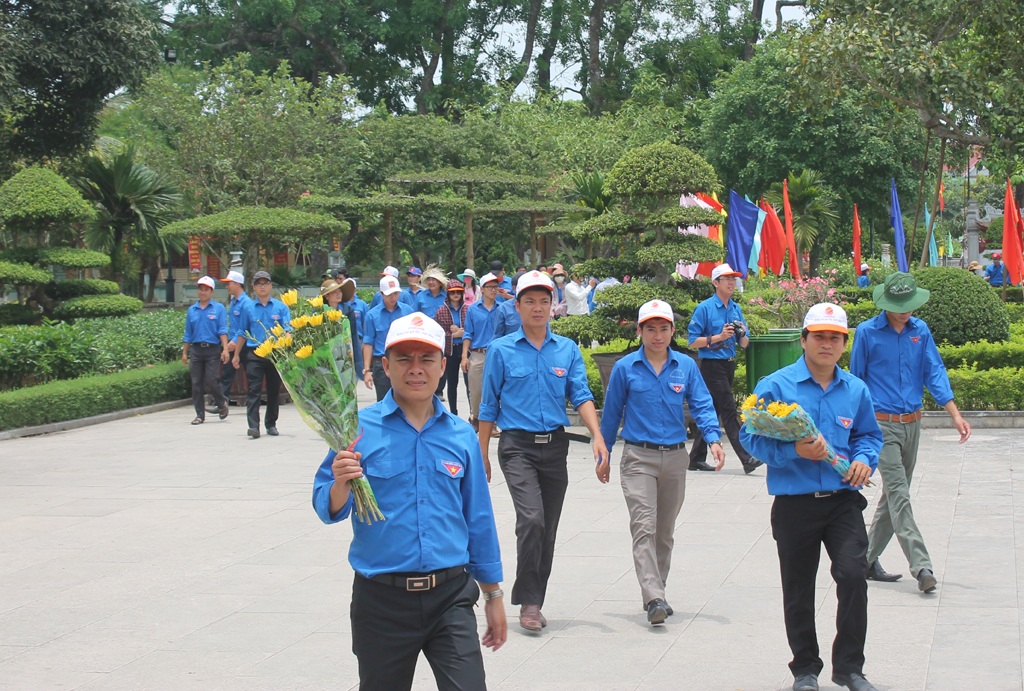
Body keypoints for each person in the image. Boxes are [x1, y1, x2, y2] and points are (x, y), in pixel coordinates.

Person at [312, 312, 506, 690]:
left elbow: (478, 518)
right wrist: (341, 482)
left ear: (442, 366)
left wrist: (493, 593)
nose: (415, 369)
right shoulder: (357, 429)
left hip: (450, 597)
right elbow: (326, 506)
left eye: (426, 359)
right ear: (386, 365)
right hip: (381, 600)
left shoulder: (460, 436)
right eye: (404, 359)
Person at [740, 303, 884, 691]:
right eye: (818, 336)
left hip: (842, 501)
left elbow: (869, 436)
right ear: (803, 340)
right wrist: (793, 453)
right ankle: (805, 669)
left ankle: (850, 667)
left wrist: (864, 460)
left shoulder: (855, 389)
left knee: (854, 576)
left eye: (834, 337)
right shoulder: (776, 385)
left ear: (843, 344)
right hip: (795, 504)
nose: (826, 344)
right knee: (799, 588)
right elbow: (749, 437)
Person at [478, 270, 609, 633]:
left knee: (546, 528)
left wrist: (598, 436)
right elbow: (488, 406)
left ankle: (534, 601)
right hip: (516, 447)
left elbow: (580, 394)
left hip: (555, 447)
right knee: (531, 519)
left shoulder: (565, 350)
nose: (538, 307)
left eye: (544, 300)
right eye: (530, 301)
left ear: (554, 306)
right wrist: (481, 453)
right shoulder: (502, 350)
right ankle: (527, 600)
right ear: (517, 305)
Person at [598, 299, 725, 625]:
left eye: (664, 328)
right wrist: (604, 453)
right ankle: (653, 596)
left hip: (674, 458)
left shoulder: (685, 366)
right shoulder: (626, 368)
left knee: (664, 533)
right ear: (640, 331)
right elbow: (611, 413)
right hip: (638, 457)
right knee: (644, 526)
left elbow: (702, 404)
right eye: (650, 329)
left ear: (672, 331)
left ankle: (659, 592)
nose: (657, 335)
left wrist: (713, 439)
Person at [849, 272, 971, 593]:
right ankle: (922, 566)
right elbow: (855, 382)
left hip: (912, 424)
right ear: (886, 303)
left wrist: (954, 414)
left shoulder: (921, 331)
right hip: (880, 425)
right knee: (900, 495)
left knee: (893, 495)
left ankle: (865, 559)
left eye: (909, 305)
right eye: (898, 306)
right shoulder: (867, 333)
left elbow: (935, 371)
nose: (905, 312)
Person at [687, 263, 762, 474]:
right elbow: (692, 341)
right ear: (715, 283)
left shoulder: (735, 308)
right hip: (711, 365)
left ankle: (695, 458)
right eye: (726, 278)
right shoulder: (705, 308)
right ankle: (747, 457)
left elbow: (744, 344)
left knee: (715, 409)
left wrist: (742, 333)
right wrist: (719, 337)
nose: (731, 282)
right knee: (729, 409)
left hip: (729, 364)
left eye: (733, 278)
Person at [231, 270, 291, 439]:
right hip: (254, 353)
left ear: (271, 286)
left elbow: (288, 328)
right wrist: (236, 355)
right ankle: (253, 426)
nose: (262, 287)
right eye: (259, 284)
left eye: (265, 283)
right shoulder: (248, 307)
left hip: (274, 353)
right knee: (254, 390)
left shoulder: (280, 307)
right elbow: (242, 332)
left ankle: (271, 424)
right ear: (254, 287)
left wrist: (287, 341)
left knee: (273, 390)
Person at [182, 275, 230, 425]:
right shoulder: (192, 310)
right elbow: (188, 333)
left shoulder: (218, 309)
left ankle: (222, 403)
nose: (203, 293)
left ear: (211, 292)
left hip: (212, 349)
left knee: (212, 380)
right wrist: (185, 352)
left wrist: (225, 349)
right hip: (196, 350)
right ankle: (199, 415)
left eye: (206, 290)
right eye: (200, 290)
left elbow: (222, 330)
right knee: (196, 383)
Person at [362, 275, 415, 402]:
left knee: (406, 401)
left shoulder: (408, 311)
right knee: (384, 402)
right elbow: (368, 343)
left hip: (405, 361)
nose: (393, 297)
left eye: (396, 293)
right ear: (381, 294)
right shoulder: (372, 315)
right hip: (381, 364)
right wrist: (367, 370)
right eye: (389, 294)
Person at [462, 272, 501, 432]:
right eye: (490, 287)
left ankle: (492, 423)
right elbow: (467, 333)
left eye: (496, 287)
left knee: (495, 390)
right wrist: (464, 356)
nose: (494, 290)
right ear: (482, 289)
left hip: (497, 355)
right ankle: (476, 418)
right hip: (477, 354)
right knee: (476, 390)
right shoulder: (473, 309)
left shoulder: (502, 308)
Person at [433, 279, 469, 414]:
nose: (455, 295)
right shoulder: (441, 311)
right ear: (448, 294)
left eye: (458, 292)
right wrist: (453, 335)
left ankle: (473, 413)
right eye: (452, 292)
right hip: (450, 350)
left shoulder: (468, 309)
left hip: (466, 349)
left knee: (469, 383)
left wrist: (462, 332)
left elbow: (472, 329)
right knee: (452, 383)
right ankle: (453, 412)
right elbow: (438, 333)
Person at [320, 278, 364, 376]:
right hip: (326, 355)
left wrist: (356, 360)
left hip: (345, 353)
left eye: (339, 291)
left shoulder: (348, 310)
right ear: (327, 296)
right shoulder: (319, 313)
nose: (338, 294)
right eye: (334, 292)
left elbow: (353, 335)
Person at [219, 270, 252, 404]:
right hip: (233, 343)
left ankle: (252, 401)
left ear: (237, 284)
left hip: (244, 344)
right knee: (226, 373)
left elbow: (245, 325)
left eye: (229, 283)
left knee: (250, 374)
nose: (227, 287)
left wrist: (233, 340)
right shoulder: (234, 302)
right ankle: (221, 403)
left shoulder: (246, 303)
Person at [493, 271, 525, 338]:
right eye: (523, 286)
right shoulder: (503, 309)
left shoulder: (538, 308)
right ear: (514, 288)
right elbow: (497, 336)